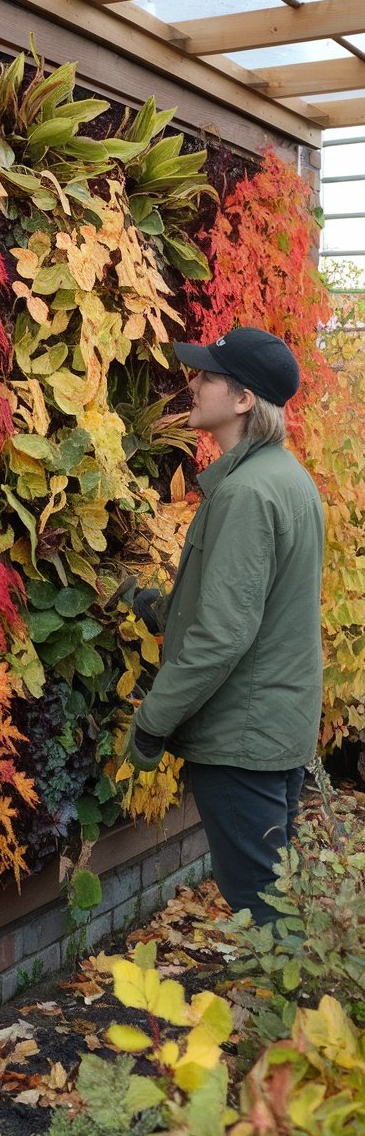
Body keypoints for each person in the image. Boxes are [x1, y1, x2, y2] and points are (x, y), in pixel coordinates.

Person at [124, 326, 324, 924]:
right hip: (275, 725)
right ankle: (294, 1007)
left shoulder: (246, 494)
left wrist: (153, 723)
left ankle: (293, 1015)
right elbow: (255, 607)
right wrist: (158, 605)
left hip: (243, 735)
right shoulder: (286, 479)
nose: (194, 383)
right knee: (274, 893)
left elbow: (223, 635)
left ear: (243, 400)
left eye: (208, 376)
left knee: (261, 910)